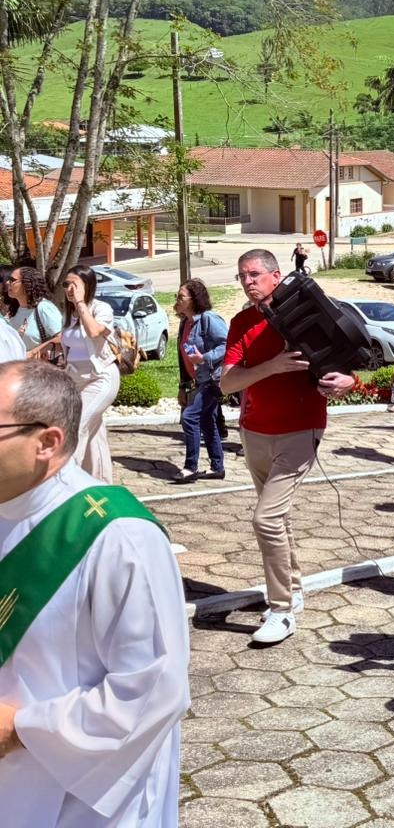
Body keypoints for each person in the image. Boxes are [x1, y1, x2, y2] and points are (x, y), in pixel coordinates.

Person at [0, 359, 189, 825]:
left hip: (81, 794)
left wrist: (21, 729)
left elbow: (153, 690)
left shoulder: (120, 538)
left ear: (47, 442)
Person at [220, 249, 357, 646]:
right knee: (276, 519)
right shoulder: (242, 322)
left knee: (265, 519)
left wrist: (350, 381)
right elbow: (227, 383)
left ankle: (280, 610)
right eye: (242, 275)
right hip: (254, 432)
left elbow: (350, 359)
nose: (248, 281)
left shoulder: (308, 311)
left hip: (301, 430)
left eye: (255, 274)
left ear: (276, 276)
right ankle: (294, 590)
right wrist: (272, 366)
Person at [56, 265, 119, 483]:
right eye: (66, 284)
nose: (69, 289)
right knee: (94, 433)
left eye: (75, 284)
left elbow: (93, 332)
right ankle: (100, 484)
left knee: (78, 425)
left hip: (100, 376)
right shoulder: (69, 315)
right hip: (75, 378)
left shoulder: (102, 309)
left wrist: (81, 303)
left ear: (88, 286)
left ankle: (66, 482)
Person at [173, 279, 228, 484]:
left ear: (194, 299)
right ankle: (217, 467)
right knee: (207, 422)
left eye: (181, 297)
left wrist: (205, 357)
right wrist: (183, 385)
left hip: (213, 380)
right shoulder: (185, 323)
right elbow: (183, 358)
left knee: (189, 417)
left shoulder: (209, 320)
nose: (177, 300)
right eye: (177, 296)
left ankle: (190, 467)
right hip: (199, 380)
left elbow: (228, 344)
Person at [6, 268, 62, 356]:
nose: (7, 283)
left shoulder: (43, 307)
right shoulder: (14, 310)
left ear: (27, 283)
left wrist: (33, 353)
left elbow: (62, 338)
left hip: (39, 367)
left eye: (12, 280)